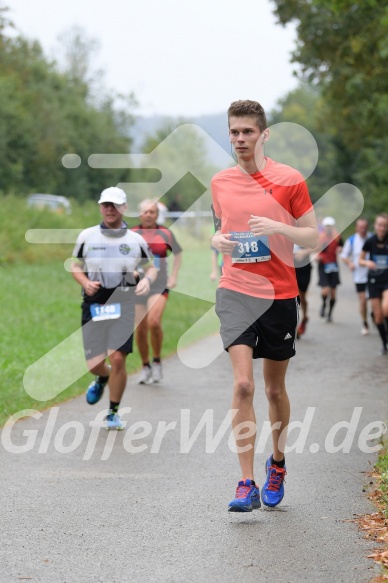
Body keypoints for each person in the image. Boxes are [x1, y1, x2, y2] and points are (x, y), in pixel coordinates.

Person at [211, 100, 318, 512]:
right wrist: (216, 242)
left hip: (278, 295)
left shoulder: (289, 180)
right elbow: (220, 231)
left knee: (274, 389)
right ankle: (245, 482)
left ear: (264, 134)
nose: (240, 139)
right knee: (243, 385)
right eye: (234, 132)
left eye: (248, 132)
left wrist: (279, 227)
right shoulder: (219, 182)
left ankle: (277, 463)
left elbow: (311, 237)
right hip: (235, 289)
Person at [71, 187, 157, 429]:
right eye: (106, 205)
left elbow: (151, 267)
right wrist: (86, 282)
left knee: (119, 357)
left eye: (115, 205)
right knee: (95, 362)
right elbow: (75, 266)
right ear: (100, 207)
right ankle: (102, 376)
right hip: (95, 300)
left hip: (123, 299)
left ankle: (112, 412)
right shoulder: (87, 236)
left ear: (124, 208)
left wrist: (146, 280)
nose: (110, 209)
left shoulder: (135, 241)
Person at [131, 199, 183, 383]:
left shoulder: (165, 233)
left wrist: (174, 276)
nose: (148, 215)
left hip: (159, 284)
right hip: (136, 285)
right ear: (139, 214)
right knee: (141, 329)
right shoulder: (132, 234)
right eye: (145, 211)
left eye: (152, 212)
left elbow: (177, 253)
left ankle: (157, 361)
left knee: (153, 322)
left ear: (156, 214)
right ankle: (145, 366)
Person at [359, 213, 388, 355]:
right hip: (373, 281)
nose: (382, 228)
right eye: (380, 225)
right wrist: (367, 262)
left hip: (387, 280)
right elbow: (360, 260)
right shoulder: (369, 242)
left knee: (386, 308)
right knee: (377, 316)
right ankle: (384, 344)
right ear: (376, 226)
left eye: (385, 226)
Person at [340, 218, 372, 335]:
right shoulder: (352, 240)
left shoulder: (372, 238)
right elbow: (343, 255)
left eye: (365, 227)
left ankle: (374, 314)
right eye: (360, 227)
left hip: (374, 274)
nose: (363, 230)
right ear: (356, 228)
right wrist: (350, 263)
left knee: (374, 300)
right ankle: (365, 322)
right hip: (359, 276)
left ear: (368, 227)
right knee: (363, 301)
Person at [316, 216, 343, 323]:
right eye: (327, 226)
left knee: (333, 294)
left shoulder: (337, 236)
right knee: (325, 290)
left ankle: (330, 313)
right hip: (323, 265)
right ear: (324, 226)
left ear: (333, 227)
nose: (328, 228)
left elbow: (342, 246)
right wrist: (317, 256)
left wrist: (341, 249)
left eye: (330, 226)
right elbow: (314, 249)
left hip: (333, 265)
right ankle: (323, 304)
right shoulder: (320, 236)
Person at [293, 244, 314, 338]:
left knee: (302, 297)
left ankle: (305, 317)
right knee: (294, 297)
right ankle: (295, 326)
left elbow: (317, 245)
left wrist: (304, 251)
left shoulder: (304, 229)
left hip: (304, 269)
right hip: (291, 268)